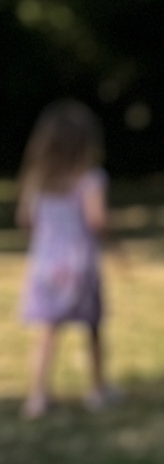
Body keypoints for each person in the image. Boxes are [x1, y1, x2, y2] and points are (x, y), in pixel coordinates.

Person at [16, 100, 114, 420]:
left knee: (47, 330)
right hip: (79, 264)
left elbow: (25, 218)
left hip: (44, 265)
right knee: (92, 327)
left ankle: (37, 395)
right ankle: (98, 389)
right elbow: (96, 219)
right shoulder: (89, 179)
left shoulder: (38, 179)